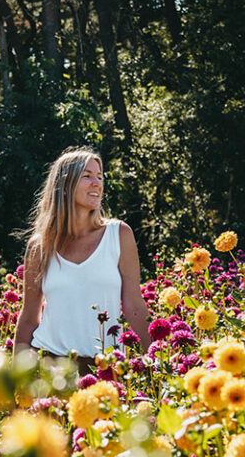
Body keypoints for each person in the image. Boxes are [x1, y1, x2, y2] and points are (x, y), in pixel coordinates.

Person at [13, 147, 151, 370]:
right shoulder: (40, 246)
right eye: (87, 176)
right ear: (65, 186)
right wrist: (15, 379)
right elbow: (29, 316)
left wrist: (158, 363)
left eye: (99, 176)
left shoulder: (119, 235)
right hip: (49, 370)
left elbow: (134, 306)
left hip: (107, 370)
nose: (97, 183)